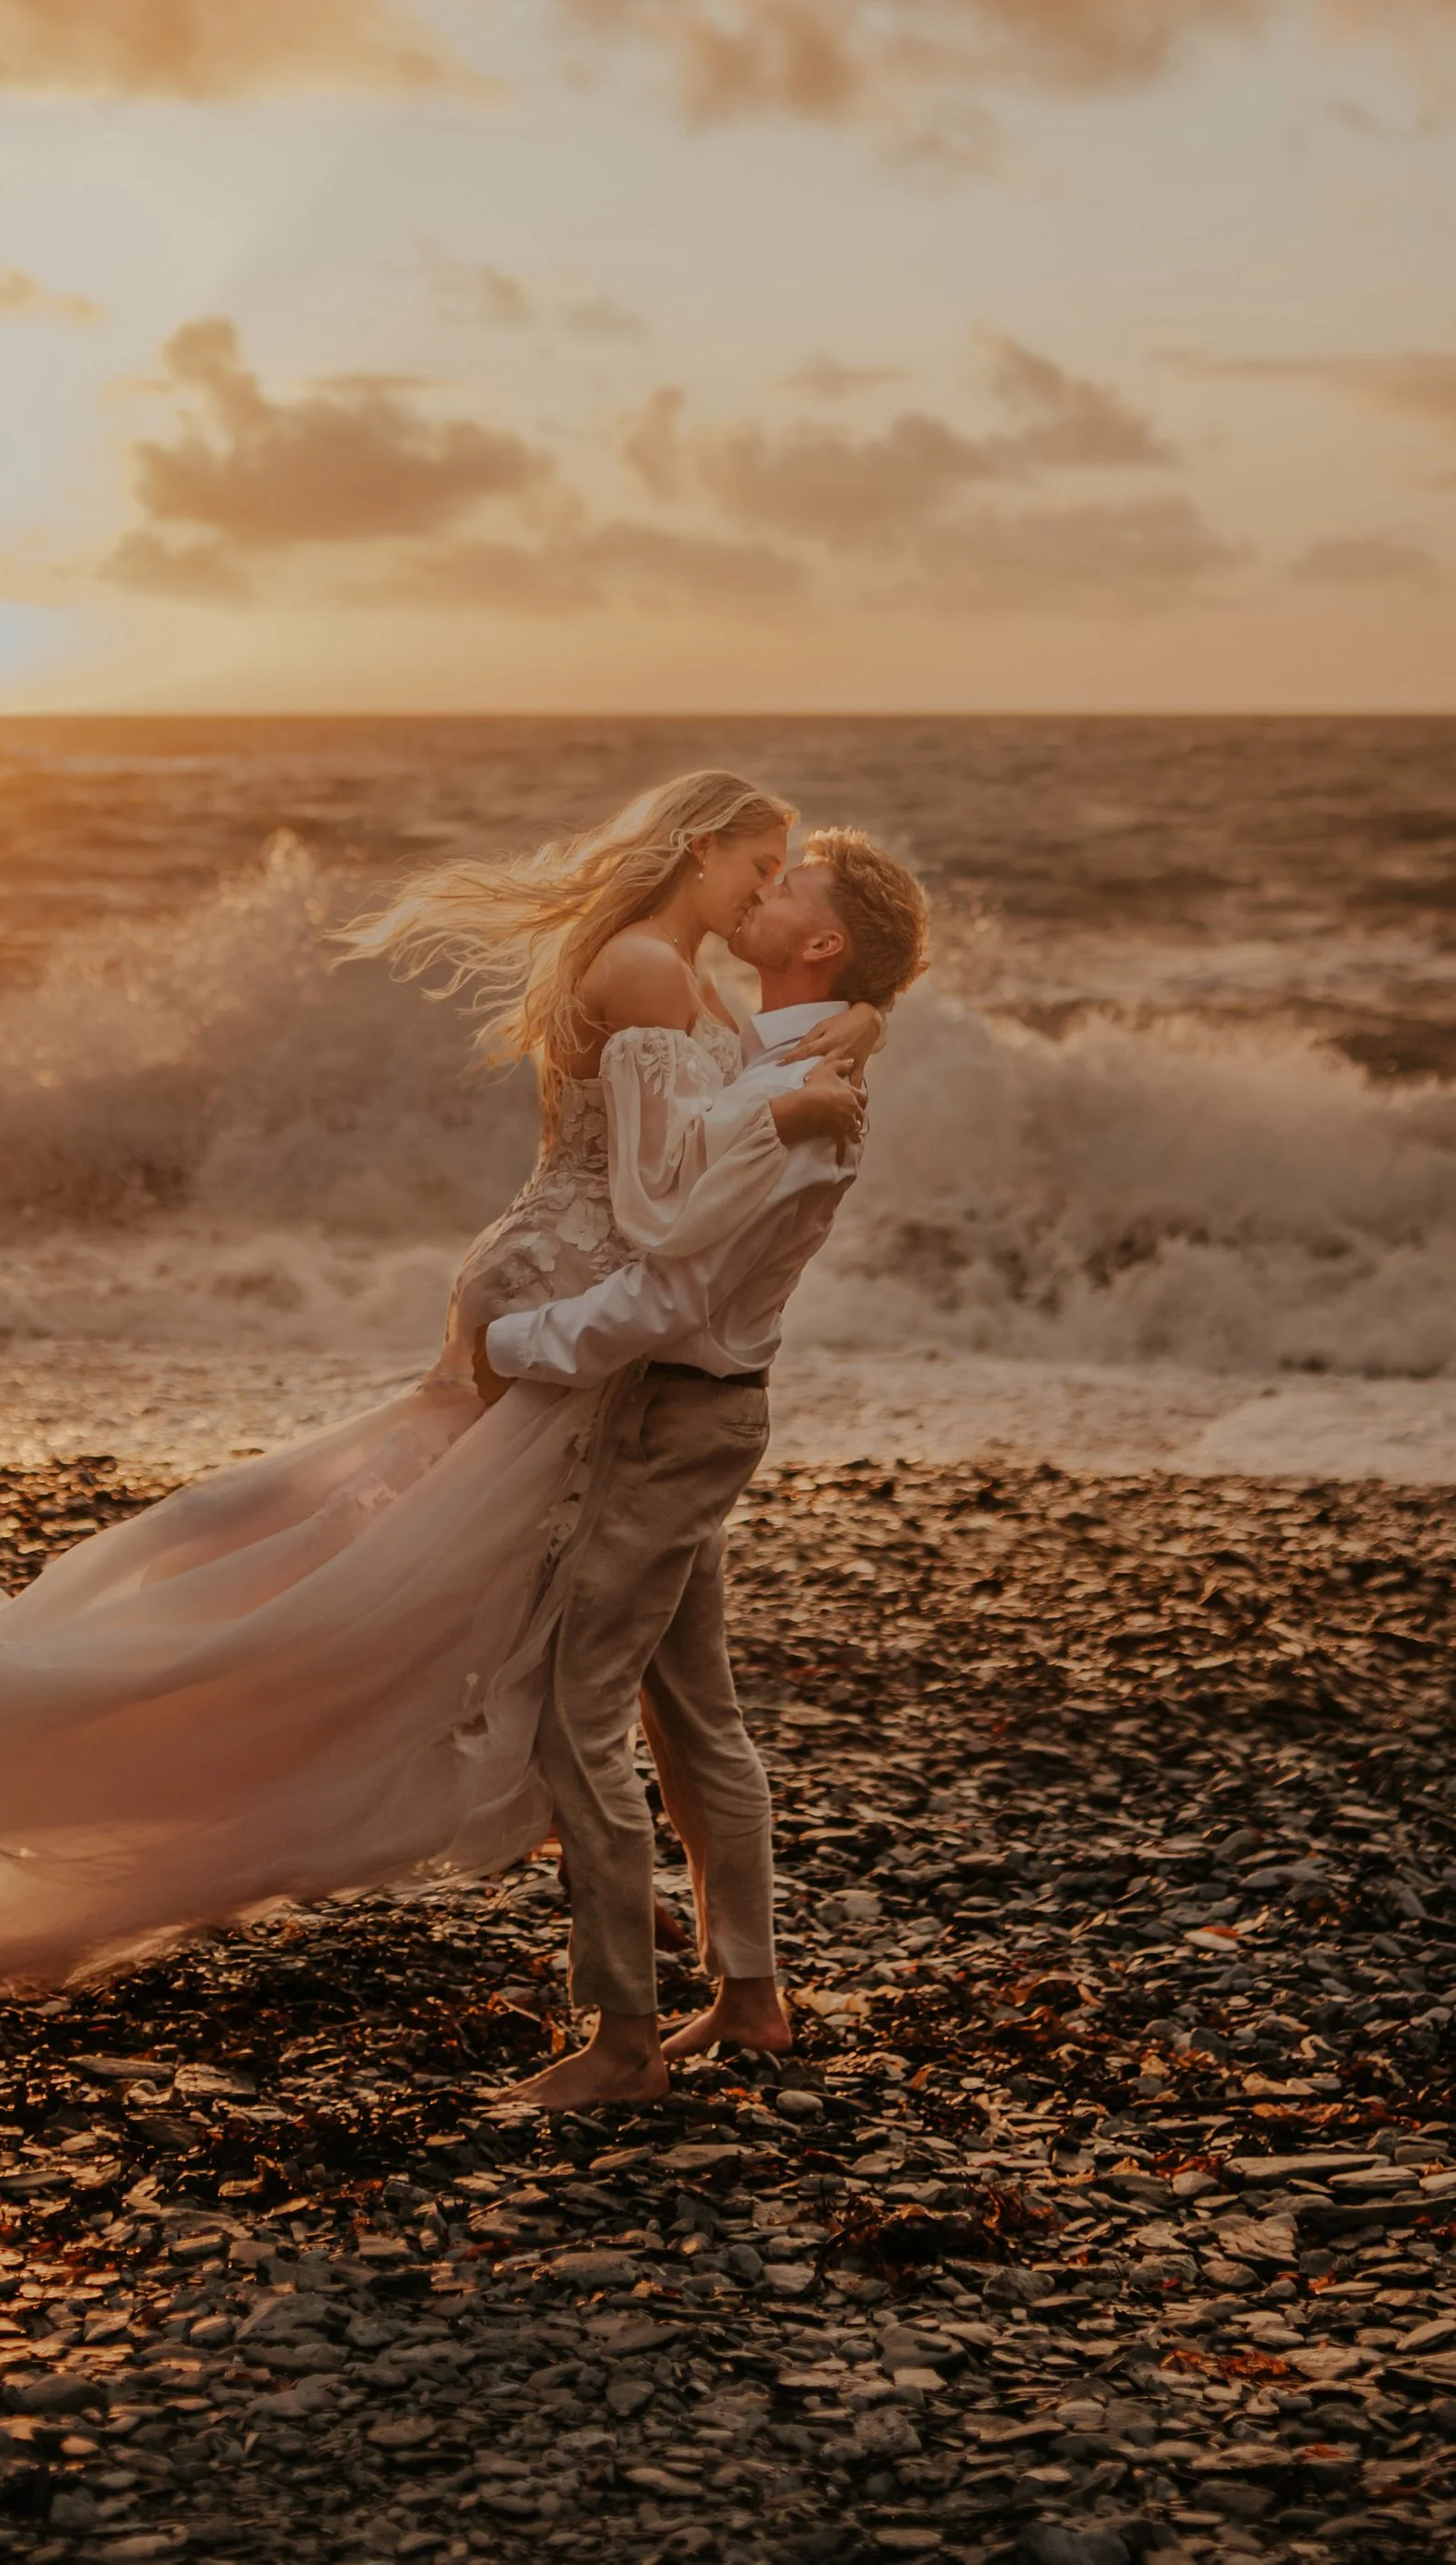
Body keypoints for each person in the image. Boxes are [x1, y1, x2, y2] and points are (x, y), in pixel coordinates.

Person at [0, 770, 882, 1994]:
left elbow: (714, 1114)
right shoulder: (650, 970)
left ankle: (646, 1908)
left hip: (575, 1315)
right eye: (760, 870)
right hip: (563, 1318)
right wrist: (793, 1101)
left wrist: (834, 1041)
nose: (766, 897)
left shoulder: (675, 972)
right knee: (384, 1602)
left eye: (785, 888)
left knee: (446, 1595)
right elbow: (660, 1200)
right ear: (701, 851)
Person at [469, 829, 931, 2111]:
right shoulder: (781, 1046)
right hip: (686, 1415)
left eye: (787, 886)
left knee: (580, 1707)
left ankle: (621, 2035)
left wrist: (503, 1341)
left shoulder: (801, 1106)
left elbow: (666, 1295)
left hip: (681, 1416)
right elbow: (751, 1058)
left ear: (820, 943)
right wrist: (860, 1026)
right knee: (692, 1711)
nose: (759, 888)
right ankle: (749, 1995)